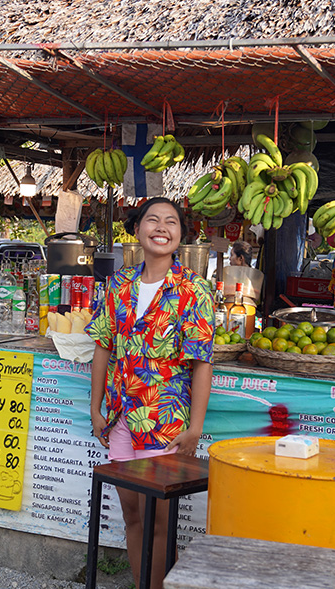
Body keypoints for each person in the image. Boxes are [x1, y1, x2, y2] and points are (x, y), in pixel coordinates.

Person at [87, 197, 215, 589]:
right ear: (138, 229)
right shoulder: (118, 284)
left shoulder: (194, 290)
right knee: (131, 516)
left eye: (171, 222)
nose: (162, 228)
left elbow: (202, 363)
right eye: (153, 220)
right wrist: (96, 410)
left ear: (180, 234)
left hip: (163, 421)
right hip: (121, 419)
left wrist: (195, 428)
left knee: (159, 521)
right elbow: (102, 347)